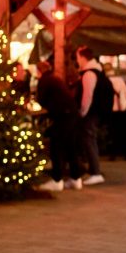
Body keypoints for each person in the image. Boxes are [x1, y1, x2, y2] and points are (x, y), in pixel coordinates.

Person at [35, 61, 83, 192]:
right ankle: (76, 178)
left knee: (57, 146)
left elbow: (41, 100)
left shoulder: (44, 81)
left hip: (62, 115)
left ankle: (57, 179)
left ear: (39, 71)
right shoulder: (55, 79)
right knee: (71, 146)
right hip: (72, 113)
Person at [74, 46, 112, 185]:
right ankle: (94, 171)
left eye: (77, 57)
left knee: (89, 141)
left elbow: (87, 96)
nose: (77, 61)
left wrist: (82, 112)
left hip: (90, 113)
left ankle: (95, 172)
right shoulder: (97, 71)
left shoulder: (89, 74)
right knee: (90, 140)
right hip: (96, 112)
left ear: (82, 57)